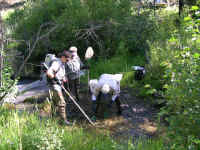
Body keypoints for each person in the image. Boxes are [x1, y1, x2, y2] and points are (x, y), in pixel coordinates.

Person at [46, 51, 72, 125]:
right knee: (62, 102)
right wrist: (56, 80)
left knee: (54, 103)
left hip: (57, 85)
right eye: (67, 60)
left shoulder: (62, 63)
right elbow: (49, 72)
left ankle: (53, 119)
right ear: (63, 57)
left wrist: (63, 78)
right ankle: (64, 121)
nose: (67, 61)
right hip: (55, 86)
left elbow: (60, 73)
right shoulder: (56, 63)